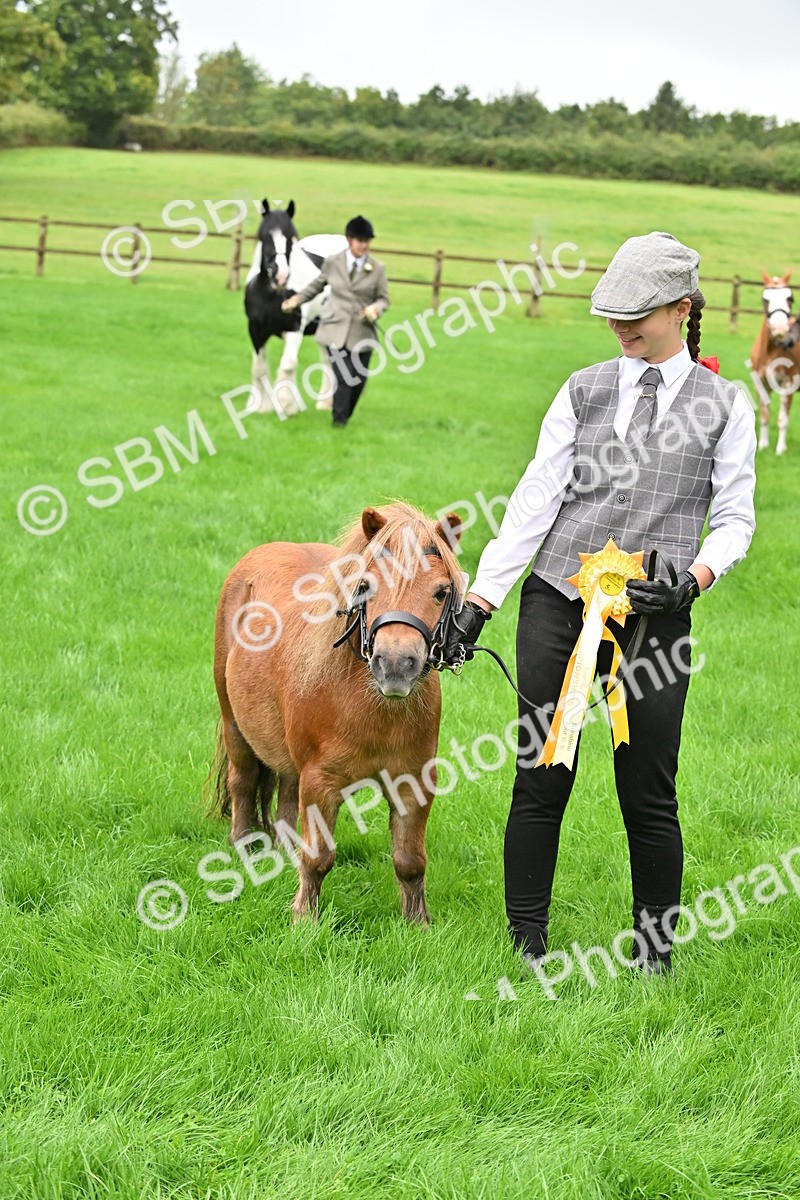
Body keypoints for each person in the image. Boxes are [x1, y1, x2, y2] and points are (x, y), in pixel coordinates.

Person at [453, 231, 757, 976]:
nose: (621, 327)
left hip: (657, 614)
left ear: (681, 309)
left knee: (648, 789)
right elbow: (536, 499)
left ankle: (654, 957)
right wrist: (481, 599)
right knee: (541, 774)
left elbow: (736, 519)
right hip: (557, 600)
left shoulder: (727, 406)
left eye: (637, 314)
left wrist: (694, 579)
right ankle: (526, 947)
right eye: (613, 314)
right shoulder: (582, 389)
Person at [282, 215, 390, 427]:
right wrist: (296, 300)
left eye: (367, 241)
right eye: (360, 241)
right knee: (343, 377)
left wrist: (375, 309)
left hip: (362, 331)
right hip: (334, 329)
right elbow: (317, 285)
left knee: (358, 380)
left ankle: (344, 415)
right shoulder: (333, 262)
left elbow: (383, 299)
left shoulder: (377, 268)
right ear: (350, 240)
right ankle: (338, 422)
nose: (364, 245)